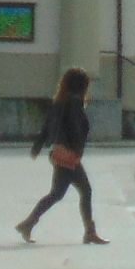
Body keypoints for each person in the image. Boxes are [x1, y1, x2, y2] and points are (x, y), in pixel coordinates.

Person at [17, 66, 106, 245]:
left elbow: (48, 125)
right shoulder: (74, 103)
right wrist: (76, 150)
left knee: (58, 194)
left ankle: (28, 224)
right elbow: (75, 128)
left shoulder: (60, 101)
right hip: (69, 156)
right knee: (82, 191)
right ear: (82, 85)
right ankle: (89, 232)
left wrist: (38, 145)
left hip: (60, 153)